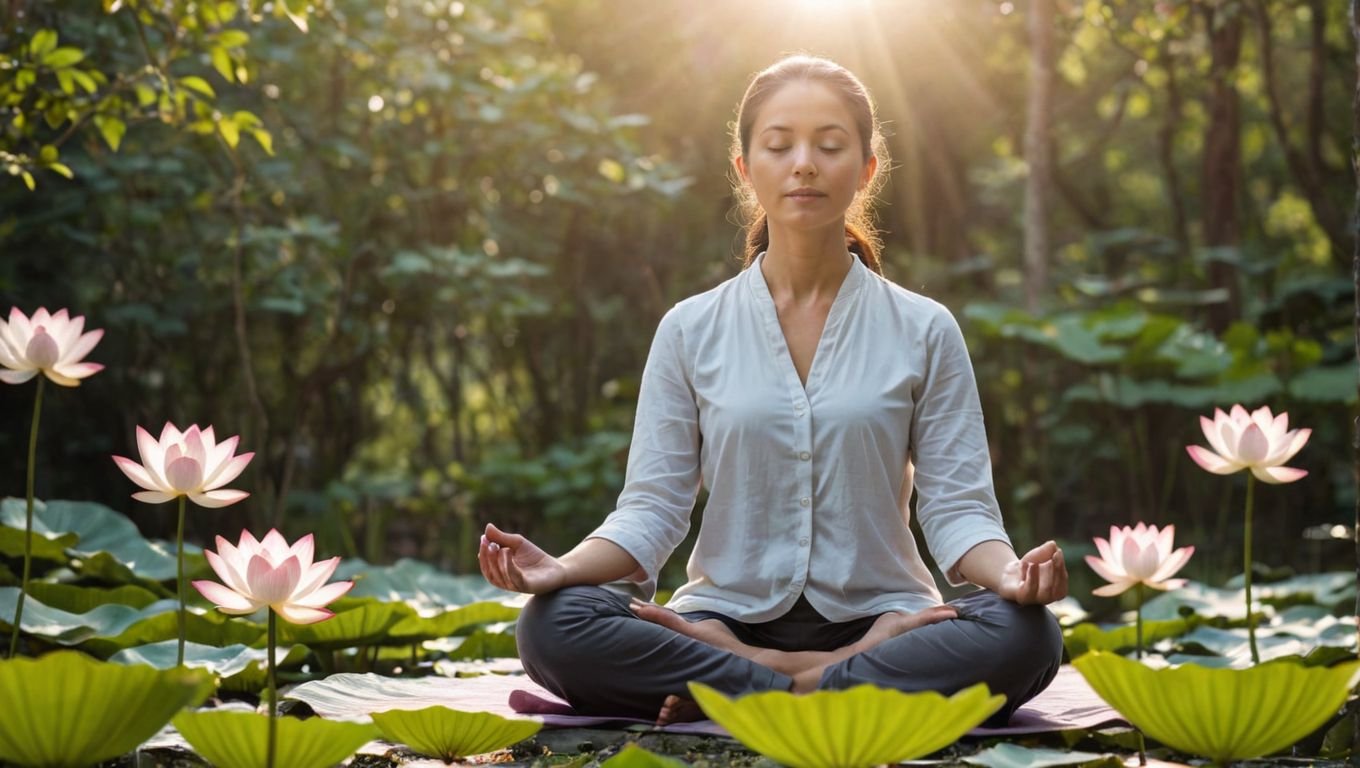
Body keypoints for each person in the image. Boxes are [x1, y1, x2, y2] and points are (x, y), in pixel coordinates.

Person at [478, 54, 1067, 728]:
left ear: (867, 169)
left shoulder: (925, 328)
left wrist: (1012, 578)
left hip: (890, 623)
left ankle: (761, 688)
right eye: (780, 145)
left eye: (830, 144)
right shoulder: (689, 329)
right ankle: (820, 688)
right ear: (745, 169)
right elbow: (652, 509)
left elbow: (960, 512)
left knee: (1025, 634)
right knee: (554, 625)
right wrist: (561, 569)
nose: (805, 164)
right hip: (719, 623)